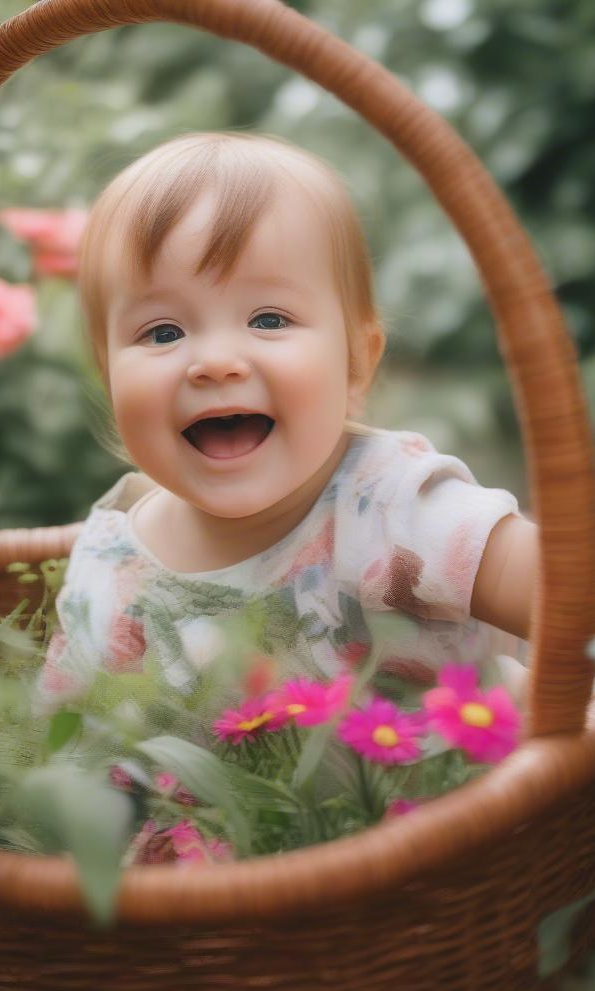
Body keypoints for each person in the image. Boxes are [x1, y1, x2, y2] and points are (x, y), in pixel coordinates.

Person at [33, 131, 539, 716]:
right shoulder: (111, 564)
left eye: (269, 319)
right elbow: (65, 746)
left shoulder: (393, 510)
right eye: (163, 332)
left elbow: (578, 602)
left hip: (456, 802)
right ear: (109, 374)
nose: (217, 362)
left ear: (357, 363)